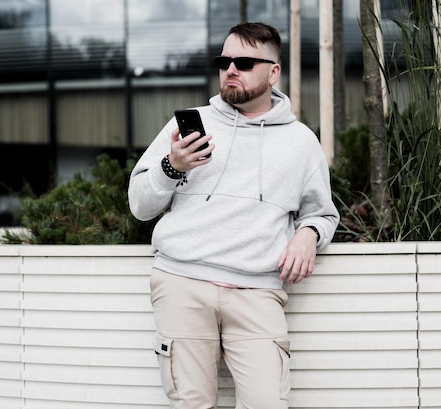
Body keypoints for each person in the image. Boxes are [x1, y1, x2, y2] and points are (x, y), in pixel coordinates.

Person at [128, 22, 339, 409]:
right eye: (224, 61)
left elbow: (322, 214)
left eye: (244, 61)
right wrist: (172, 166)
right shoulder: (188, 125)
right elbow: (140, 206)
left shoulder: (301, 142)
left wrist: (308, 234)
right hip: (182, 282)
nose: (230, 70)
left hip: (258, 292)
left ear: (274, 71)